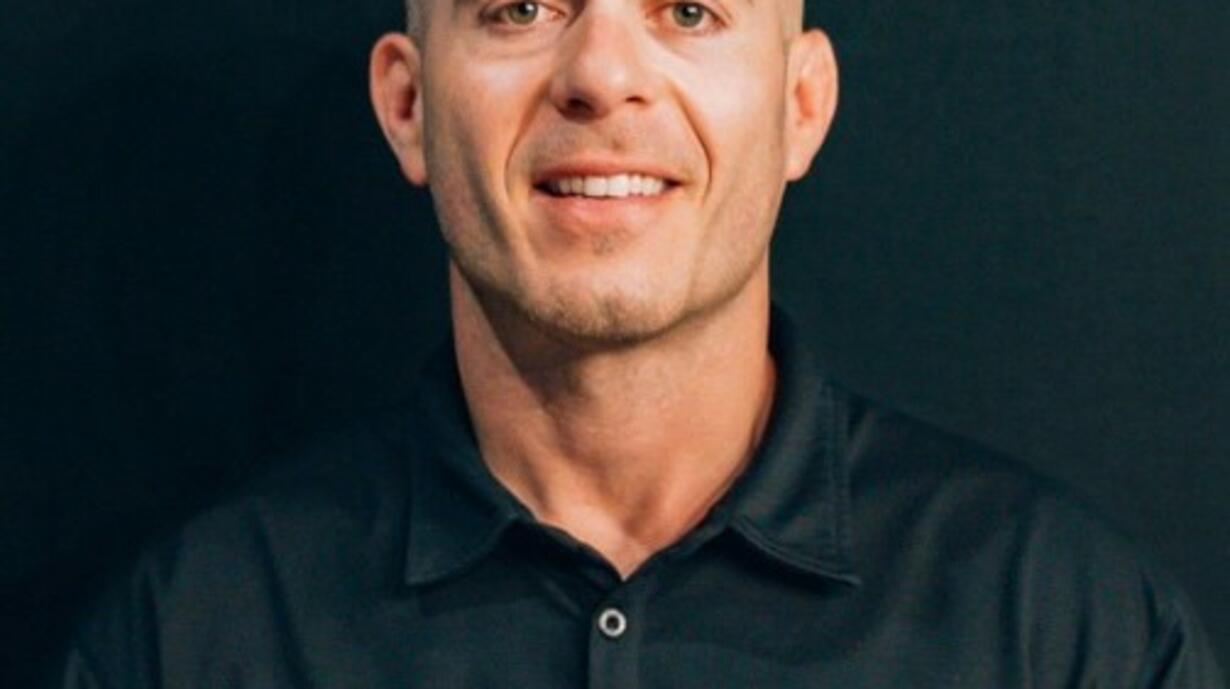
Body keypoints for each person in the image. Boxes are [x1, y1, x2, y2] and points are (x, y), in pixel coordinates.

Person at [59, 0, 1225, 685]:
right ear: (408, 106)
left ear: (801, 105)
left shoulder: (1068, 633)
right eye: (521, 7)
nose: (603, 75)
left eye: (689, 10)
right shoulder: (195, 640)